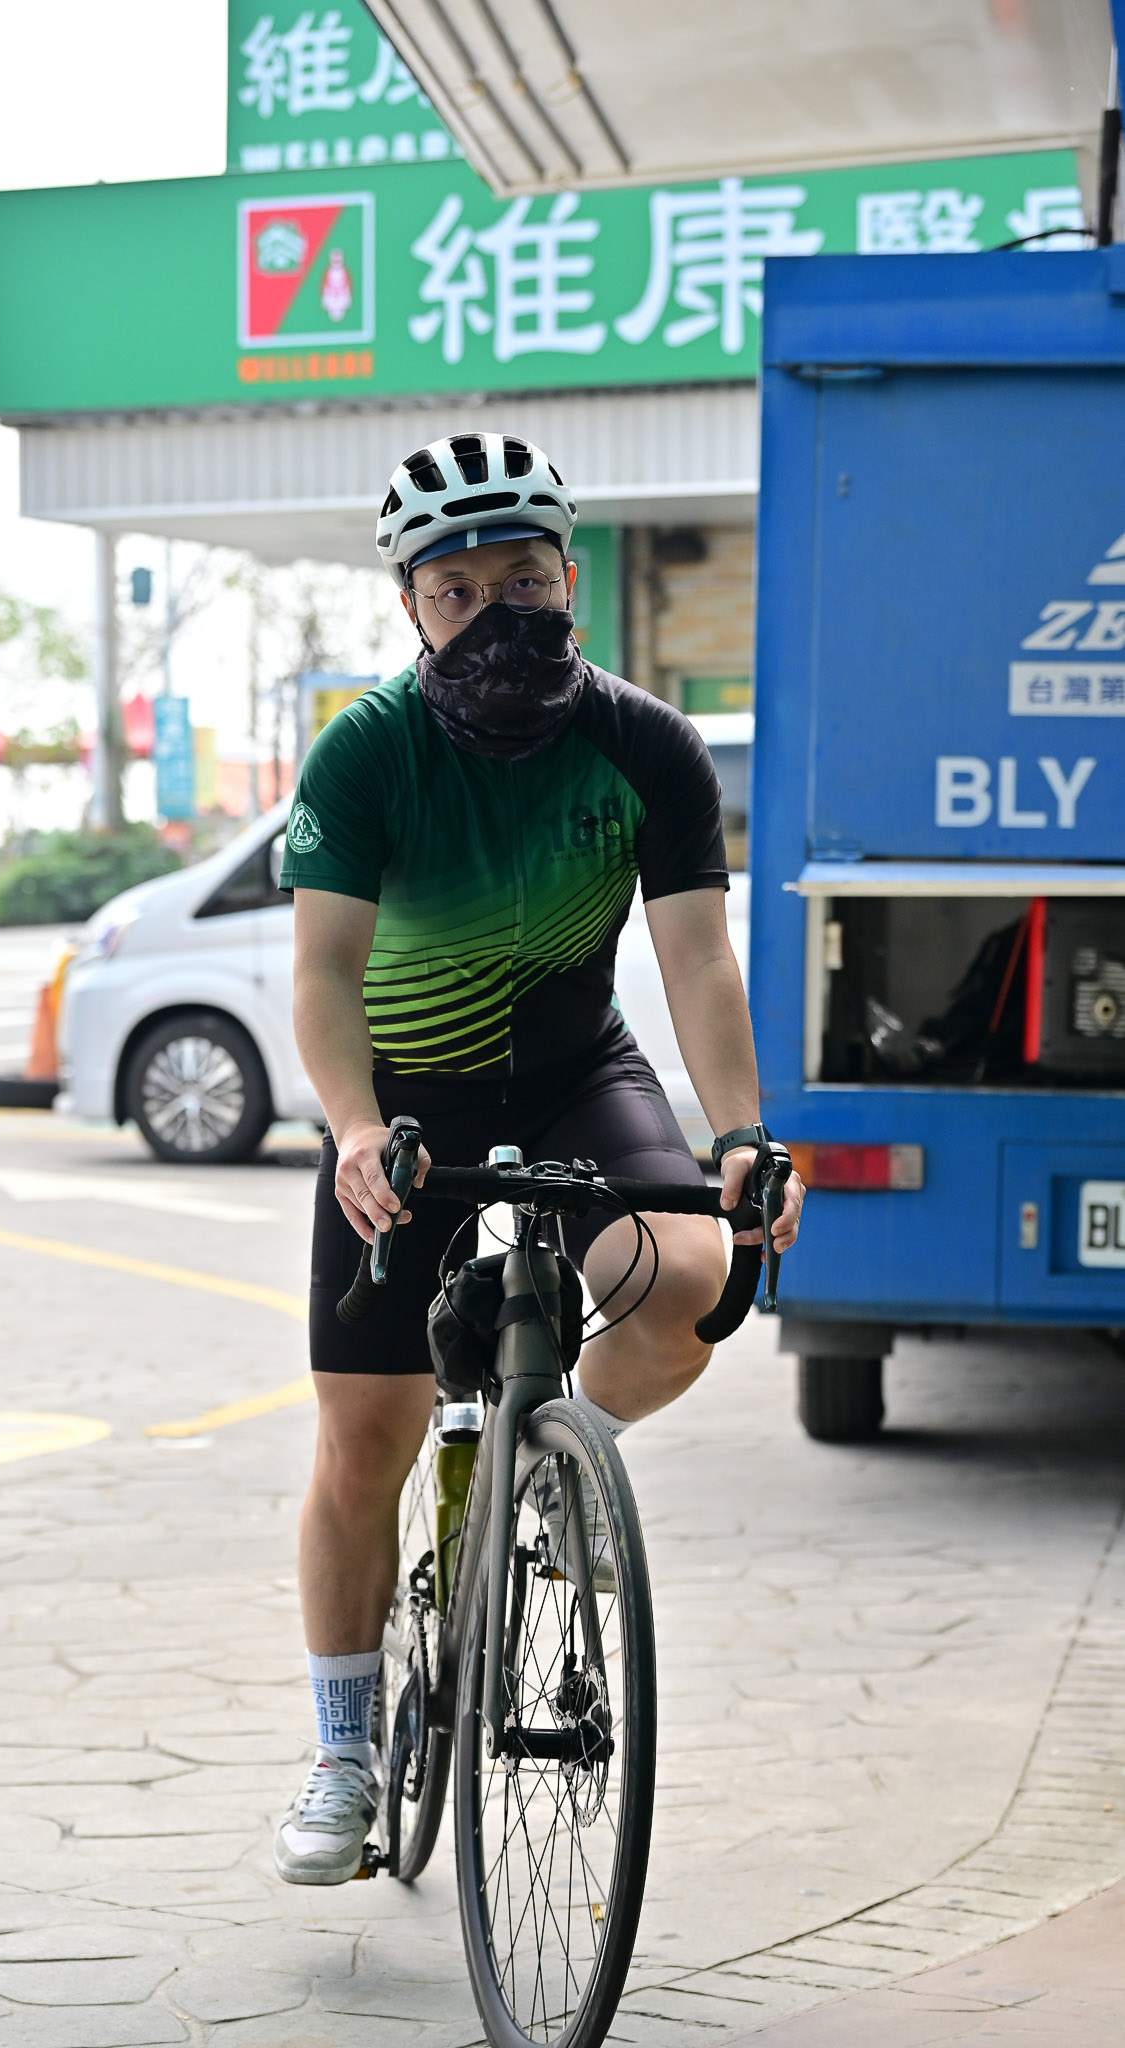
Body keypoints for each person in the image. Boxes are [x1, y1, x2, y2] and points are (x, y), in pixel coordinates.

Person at [273, 431, 806, 1885]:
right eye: (456, 592)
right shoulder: (368, 750)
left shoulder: (645, 745)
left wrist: (741, 1133)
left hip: (575, 1072)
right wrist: (354, 1125)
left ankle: (552, 1474)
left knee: (689, 1279)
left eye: (522, 579)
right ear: (410, 606)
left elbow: (696, 959)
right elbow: (321, 973)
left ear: (571, 575)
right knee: (363, 1441)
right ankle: (342, 1753)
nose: (495, 614)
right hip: (403, 1103)